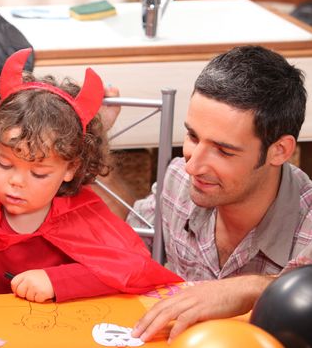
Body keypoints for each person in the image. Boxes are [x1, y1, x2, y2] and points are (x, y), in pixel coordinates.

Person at [0, 48, 182, 303]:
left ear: (70, 169)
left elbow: (135, 270)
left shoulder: (84, 216)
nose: (16, 182)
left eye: (38, 173)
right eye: (5, 164)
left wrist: (58, 281)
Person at [124, 45, 312, 342]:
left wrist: (250, 289)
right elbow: (119, 234)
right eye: (192, 136)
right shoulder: (177, 180)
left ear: (280, 150)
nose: (193, 166)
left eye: (224, 151)